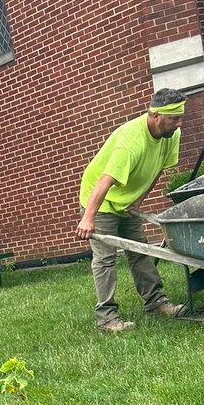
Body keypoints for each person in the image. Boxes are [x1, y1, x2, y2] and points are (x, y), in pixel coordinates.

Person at [76, 90, 186, 333]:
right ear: (156, 116)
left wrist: (138, 200)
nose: (180, 123)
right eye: (174, 118)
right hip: (101, 200)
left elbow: (158, 169)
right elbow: (104, 181)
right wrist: (88, 217)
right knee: (105, 258)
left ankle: (156, 302)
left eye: (181, 117)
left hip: (126, 200)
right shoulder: (131, 142)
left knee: (139, 250)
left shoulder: (171, 135)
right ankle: (106, 318)